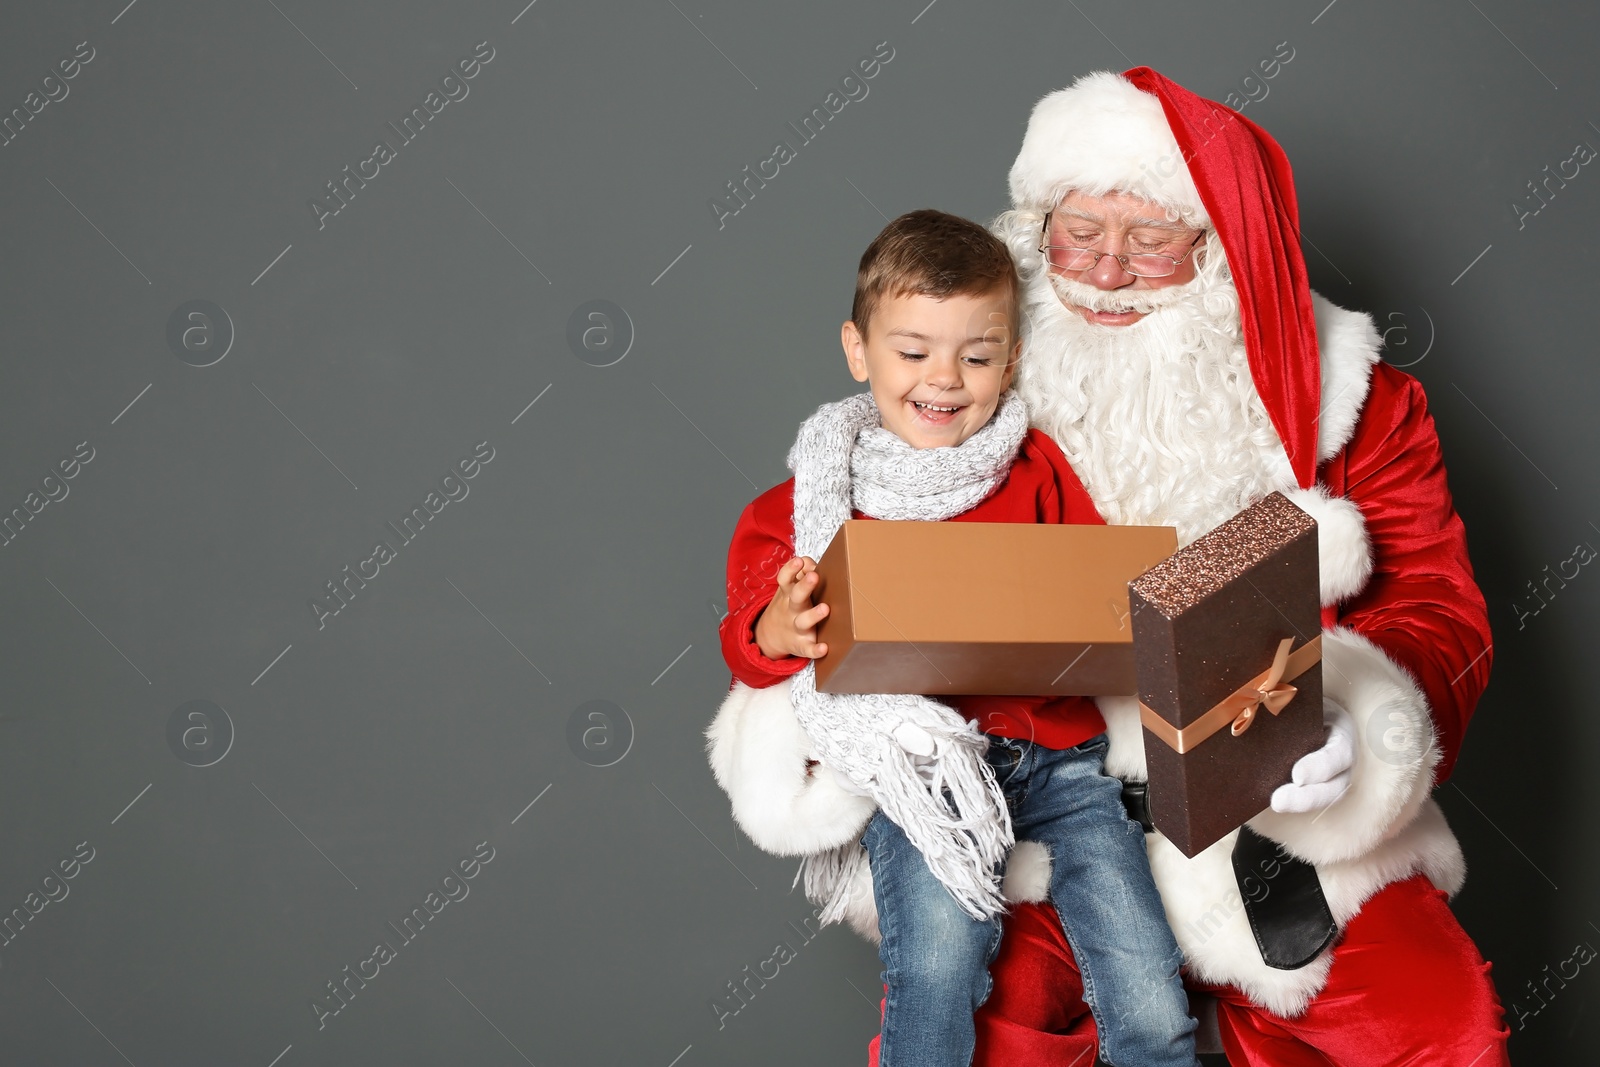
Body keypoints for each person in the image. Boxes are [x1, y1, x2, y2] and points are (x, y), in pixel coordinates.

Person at [958, 67, 1509, 1065]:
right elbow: (836, 518)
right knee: (969, 1026)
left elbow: (1436, 607)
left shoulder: (1358, 403)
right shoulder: (966, 379)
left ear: (1221, 250)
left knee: (1437, 1025)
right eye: (1079, 232)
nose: (1107, 272)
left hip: (1285, 834)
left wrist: (1353, 720)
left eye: (1152, 240)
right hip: (1053, 824)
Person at [707, 208, 1199, 1067]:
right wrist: (775, 624)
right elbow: (747, 640)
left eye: (975, 356)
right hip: (930, 773)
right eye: (913, 352)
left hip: (1064, 761)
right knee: (937, 972)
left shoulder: (1034, 468)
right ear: (859, 352)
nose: (945, 379)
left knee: (1150, 985)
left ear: (1009, 362)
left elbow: (1105, 594)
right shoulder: (816, 494)